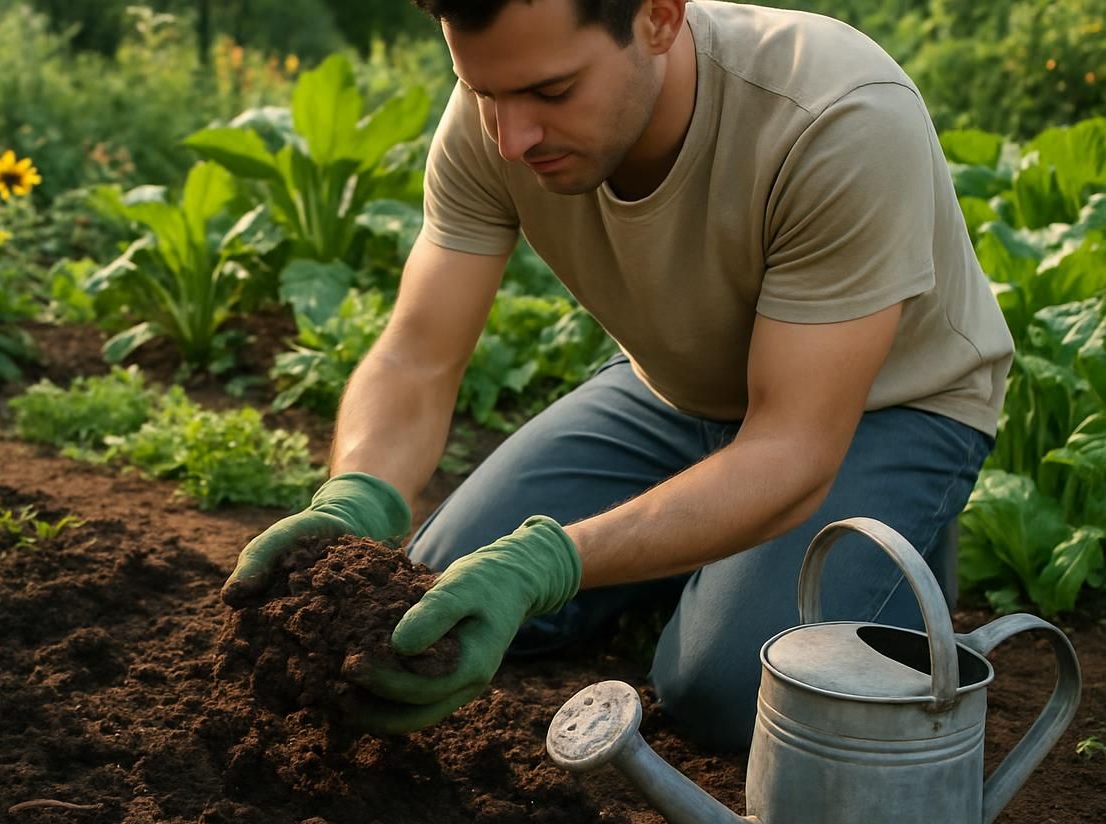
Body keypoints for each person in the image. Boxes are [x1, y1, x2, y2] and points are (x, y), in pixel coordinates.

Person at [222, 0, 1012, 750]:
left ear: (659, 18)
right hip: (673, 392)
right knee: (429, 603)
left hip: (883, 409)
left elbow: (793, 449)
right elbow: (416, 355)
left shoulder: (838, 119)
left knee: (730, 691)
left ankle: (888, 556)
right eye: (482, 90)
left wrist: (550, 561)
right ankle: (698, 560)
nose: (511, 137)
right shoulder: (496, 121)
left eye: (552, 91)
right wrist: (359, 495)